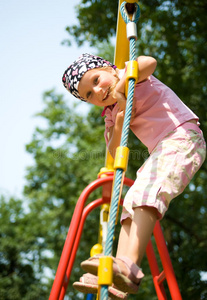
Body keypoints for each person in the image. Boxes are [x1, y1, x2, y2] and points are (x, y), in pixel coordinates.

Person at [62, 53, 206, 299]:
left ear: (109, 68)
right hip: (162, 148)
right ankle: (118, 272)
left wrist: (123, 82)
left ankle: (129, 264)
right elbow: (115, 149)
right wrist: (119, 120)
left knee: (148, 192)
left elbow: (150, 63)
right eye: (88, 95)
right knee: (131, 202)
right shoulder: (110, 113)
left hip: (183, 137)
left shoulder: (132, 74)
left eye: (97, 80)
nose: (97, 91)